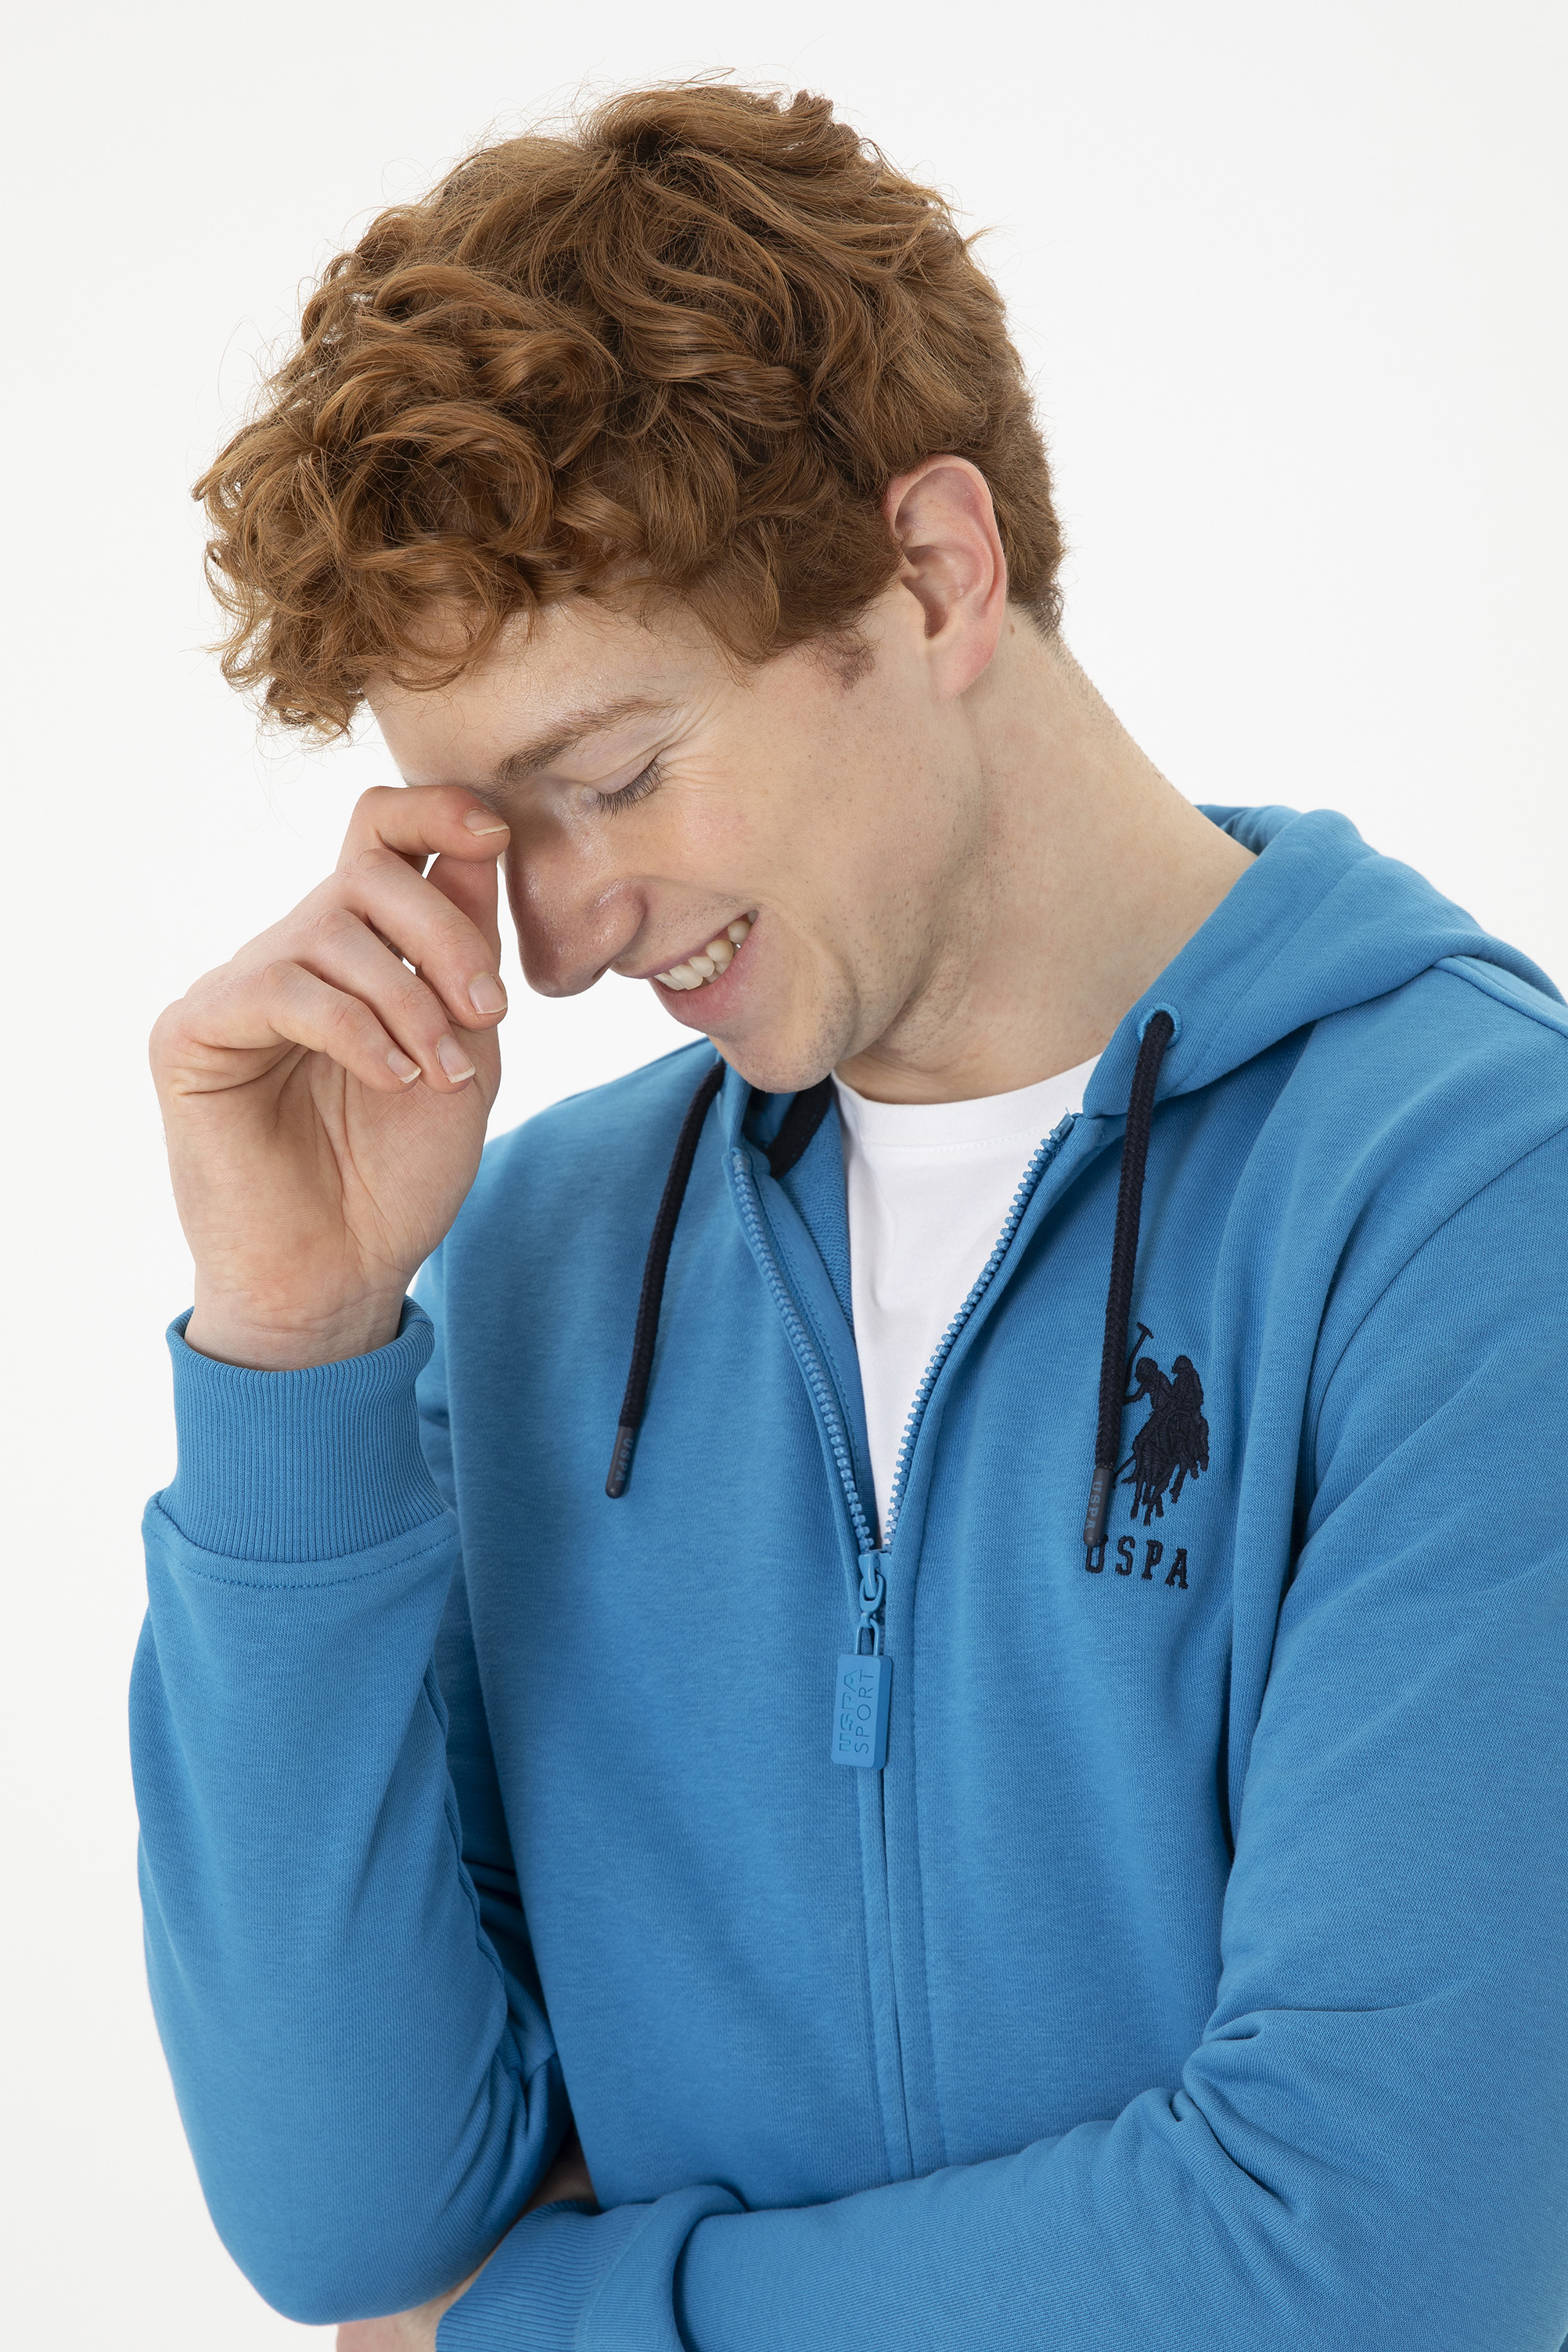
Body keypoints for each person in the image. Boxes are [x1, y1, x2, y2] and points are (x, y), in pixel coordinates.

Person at [133, 80, 1568, 2352]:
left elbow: (1364, 2257)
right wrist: (293, 1349)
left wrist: (554, 2328)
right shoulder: (540, 1261)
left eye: (616, 776)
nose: (561, 943)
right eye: (489, 837)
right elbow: (350, 2216)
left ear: (932, 575)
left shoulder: (1466, 1200)